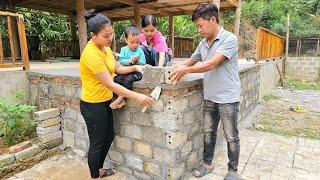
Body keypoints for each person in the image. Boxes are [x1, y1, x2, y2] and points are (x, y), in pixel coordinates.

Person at [169, 3, 241, 180]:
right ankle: (207, 164)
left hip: (228, 98)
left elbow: (211, 64)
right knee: (209, 132)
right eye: (197, 27)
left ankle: (232, 171)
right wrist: (173, 69)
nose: (199, 30)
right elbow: (191, 61)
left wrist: (186, 71)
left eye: (201, 25)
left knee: (231, 136)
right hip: (210, 97)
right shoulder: (203, 43)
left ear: (213, 20)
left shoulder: (228, 39)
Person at [79, 11, 153, 180]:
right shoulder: (91, 54)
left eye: (111, 33)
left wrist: (134, 67)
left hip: (104, 101)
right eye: (106, 35)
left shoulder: (104, 48)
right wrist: (138, 97)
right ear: (93, 35)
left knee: (109, 136)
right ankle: (95, 175)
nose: (110, 38)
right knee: (97, 143)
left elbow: (117, 68)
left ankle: (99, 169)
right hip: (92, 105)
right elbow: (111, 84)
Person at [110, 25, 146, 109]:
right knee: (116, 79)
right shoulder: (124, 49)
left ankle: (120, 98)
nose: (135, 45)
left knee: (128, 80)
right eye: (132, 42)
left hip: (137, 73)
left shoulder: (140, 50)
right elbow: (121, 61)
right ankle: (122, 100)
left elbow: (143, 62)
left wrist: (137, 61)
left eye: (137, 42)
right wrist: (130, 61)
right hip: (126, 71)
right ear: (126, 40)